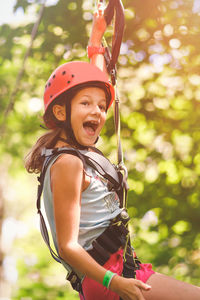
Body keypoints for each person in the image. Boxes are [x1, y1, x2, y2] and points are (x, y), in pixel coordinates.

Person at [25, 5, 200, 300]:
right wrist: (115, 282)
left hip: (119, 271)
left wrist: (97, 38)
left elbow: (91, 82)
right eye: (85, 104)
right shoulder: (67, 163)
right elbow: (68, 246)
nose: (96, 111)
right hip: (111, 277)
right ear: (61, 111)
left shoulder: (76, 153)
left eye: (101, 106)